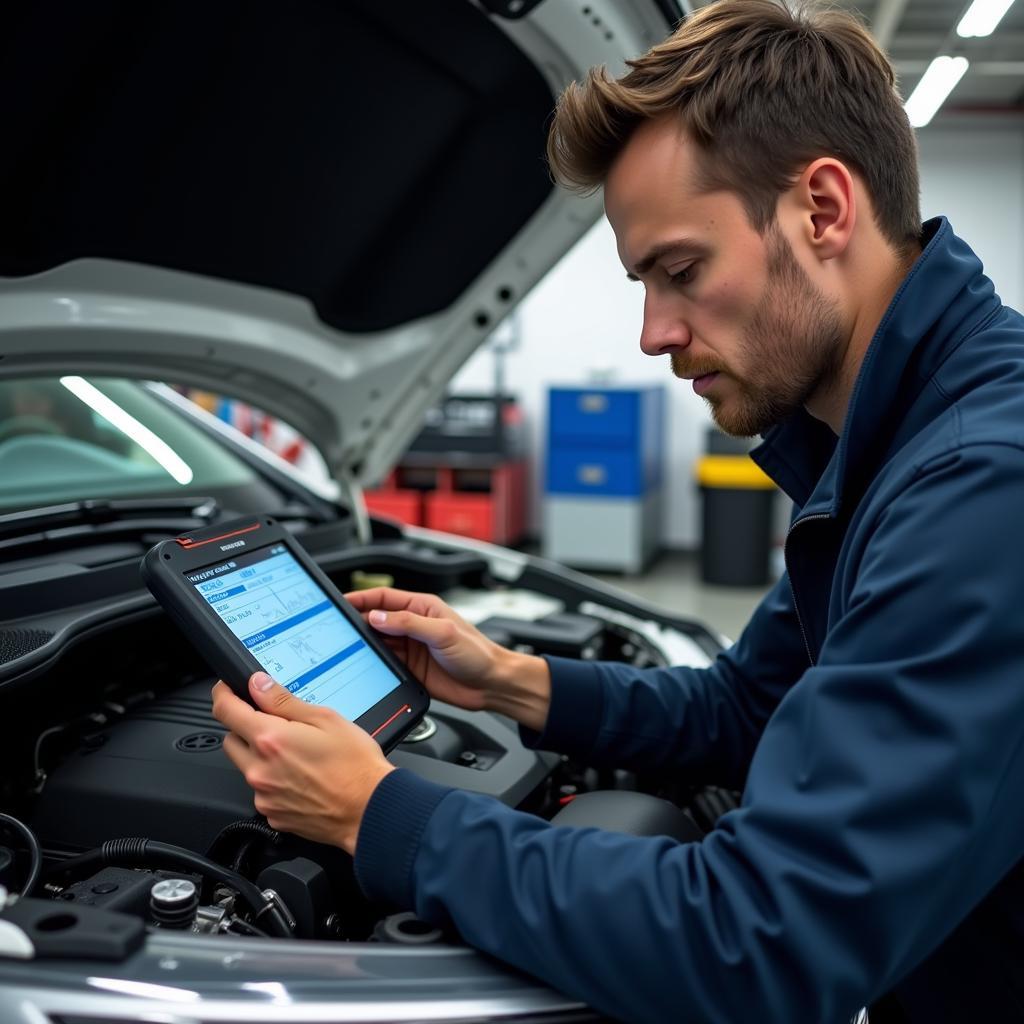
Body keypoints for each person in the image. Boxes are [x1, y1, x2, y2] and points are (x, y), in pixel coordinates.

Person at [211, 1, 1024, 1020]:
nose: (652, 332)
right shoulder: (890, 444)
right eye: (643, 283)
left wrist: (379, 814)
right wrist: (509, 679)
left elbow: (757, 940)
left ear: (822, 209)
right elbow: (743, 708)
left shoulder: (983, 486)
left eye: (679, 272)